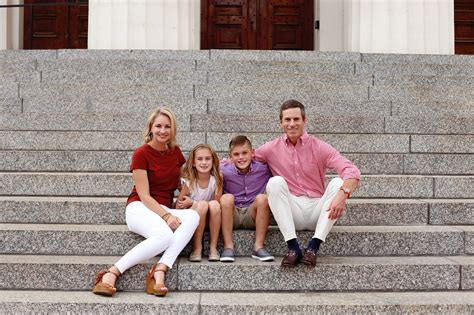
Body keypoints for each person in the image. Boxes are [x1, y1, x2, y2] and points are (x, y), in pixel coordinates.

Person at [92, 107, 200, 297]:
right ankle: (112, 272)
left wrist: (186, 193)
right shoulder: (141, 154)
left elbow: (179, 182)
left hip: (163, 206)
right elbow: (144, 194)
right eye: (158, 126)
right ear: (150, 127)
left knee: (192, 215)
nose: (162, 130)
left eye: (167, 126)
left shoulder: (175, 153)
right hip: (140, 207)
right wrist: (167, 216)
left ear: (173, 130)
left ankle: (160, 269)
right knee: (165, 236)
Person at [255, 100, 360, 268]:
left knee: (338, 182)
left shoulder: (320, 147)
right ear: (281, 123)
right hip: (292, 210)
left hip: (318, 211)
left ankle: (314, 246)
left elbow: (351, 171)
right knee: (275, 182)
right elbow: (242, 159)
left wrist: (343, 194)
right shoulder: (270, 148)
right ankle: (293, 247)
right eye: (287, 120)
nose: (292, 124)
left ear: (305, 120)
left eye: (296, 119)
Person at [219, 135, 274, 262]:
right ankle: (228, 246)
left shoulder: (263, 168)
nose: (241, 157)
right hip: (232, 214)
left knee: (263, 199)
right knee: (226, 198)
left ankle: (258, 246)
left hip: (252, 214)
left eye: (245, 153)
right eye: (236, 154)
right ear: (230, 156)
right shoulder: (223, 169)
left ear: (252, 153)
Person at [176, 143, 223, 262]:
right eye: (200, 159)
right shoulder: (189, 181)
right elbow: (178, 206)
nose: (204, 162)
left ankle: (213, 247)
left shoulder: (217, 179)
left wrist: (193, 202)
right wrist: (194, 204)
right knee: (202, 205)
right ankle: (197, 247)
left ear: (213, 161)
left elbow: (216, 204)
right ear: (193, 162)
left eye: (207, 159)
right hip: (193, 218)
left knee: (214, 204)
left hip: (210, 218)